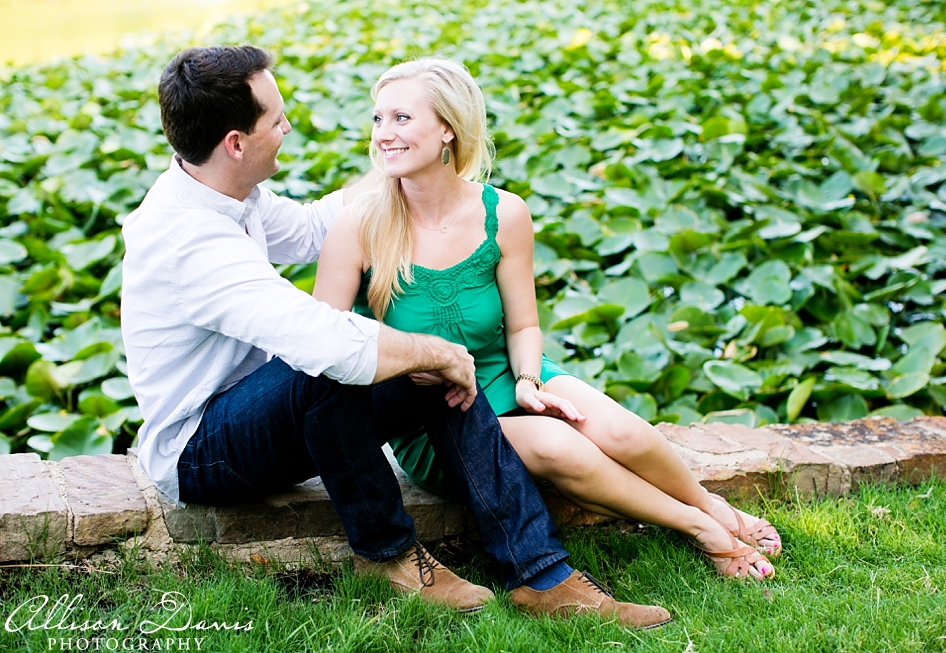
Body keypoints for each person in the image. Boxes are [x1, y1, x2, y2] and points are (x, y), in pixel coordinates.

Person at [120, 45, 671, 629]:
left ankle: (543, 576)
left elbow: (312, 228)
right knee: (342, 361)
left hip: (263, 412)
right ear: (235, 142)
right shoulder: (188, 239)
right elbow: (321, 340)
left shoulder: (229, 193)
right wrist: (438, 350)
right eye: (276, 120)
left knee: (428, 374)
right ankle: (387, 554)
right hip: (202, 450)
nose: (287, 127)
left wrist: (403, 159)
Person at [313, 57, 782, 582]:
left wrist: (530, 381)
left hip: (504, 370)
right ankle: (700, 528)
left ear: (448, 128)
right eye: (378, 120)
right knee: (564, 449)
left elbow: (522, 327)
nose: (383, 135)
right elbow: (329, 343)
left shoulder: (503, 212)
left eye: (401, 118)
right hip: (434, 410)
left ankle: (711, 504)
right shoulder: (358, 225)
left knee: (624, 433)